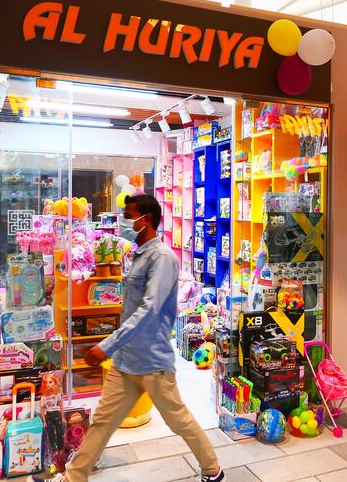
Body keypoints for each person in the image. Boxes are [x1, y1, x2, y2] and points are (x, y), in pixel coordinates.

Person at [30, 194, 223, 482]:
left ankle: (213, 470)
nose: (124, 220)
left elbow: (148, 309)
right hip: (126, 360)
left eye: (129, 214)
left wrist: (106, 345)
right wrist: (115, 348)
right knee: (103, 423)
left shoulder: (163, 258)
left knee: (178, 420)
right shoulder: (140, 254)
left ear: (145, 219)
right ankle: (73, 477)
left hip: (152, 360)